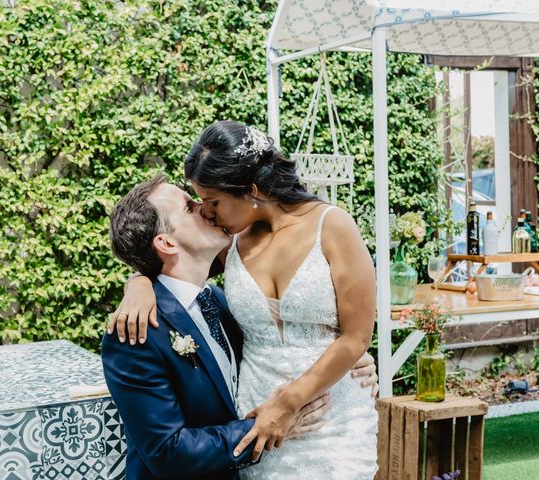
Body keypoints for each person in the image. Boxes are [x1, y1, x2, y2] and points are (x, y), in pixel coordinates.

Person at [110, 120, 379, 479]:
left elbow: (356, 336)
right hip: (256, 418)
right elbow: (171, 271)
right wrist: (139, 283)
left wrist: (300, 392)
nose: (206, 212)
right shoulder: (232, 242)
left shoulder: (332, 225)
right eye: (198, 204)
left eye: (212, 202)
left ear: (250, 192)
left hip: (330, 416)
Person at [103, 175, 336, 480]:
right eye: (188, 207)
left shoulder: (221, 301)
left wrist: (346, 357)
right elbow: (168, 453)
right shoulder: (135, 334)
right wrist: (265, 427)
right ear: (166, 243)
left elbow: (273, 348)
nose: (205, 207)